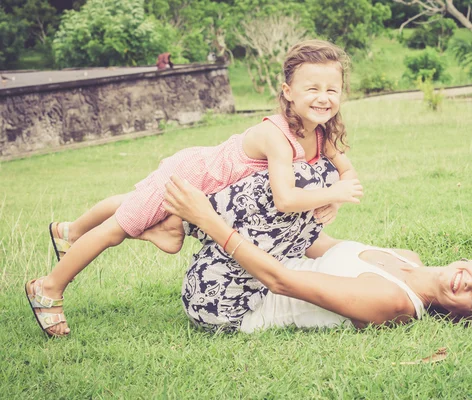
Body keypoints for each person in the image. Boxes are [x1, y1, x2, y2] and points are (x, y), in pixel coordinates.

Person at [25, 40, 363, 337]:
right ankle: (49, 287)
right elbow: (286, 199)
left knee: (145, 214)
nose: (323, 98)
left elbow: (347, 172)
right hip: (190, 177)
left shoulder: (322, 130)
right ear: (288, 92)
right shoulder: (276, 136)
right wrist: (333, 193)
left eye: (332, 90)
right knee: (117, 230)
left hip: (211, 195)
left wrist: (335, 199)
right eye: (312, 89)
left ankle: (70, 231)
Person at [164, 173, 472, 333]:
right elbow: (321, 246)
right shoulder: (405, 257)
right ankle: (162, 220)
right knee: (309, 181)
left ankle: (176, 221)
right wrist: (320, 209)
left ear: (462, 315)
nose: (469, 285)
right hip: (249, 273)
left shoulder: (392, 299)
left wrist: (210, 220)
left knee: (295, 185)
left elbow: (281, 281)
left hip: (225, 305)